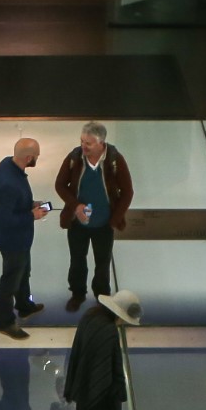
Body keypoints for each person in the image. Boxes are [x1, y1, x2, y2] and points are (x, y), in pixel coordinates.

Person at [52, 122, 134, 311]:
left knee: (102, 263)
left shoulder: (115, 160)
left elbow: (128, 192)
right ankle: (77, 294)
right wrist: (76, 206)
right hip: (77, 223)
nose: (83, 146)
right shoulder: (74, 158)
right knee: (77, 260)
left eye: (88, 143)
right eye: (82, 141)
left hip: (104, 224)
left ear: (101, 143)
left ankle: (102, 296)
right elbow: (60, 185)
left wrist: (114, 220)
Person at [63, 289, 140, 410]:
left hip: (85, 393)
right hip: (100, 399)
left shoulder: (90, 320)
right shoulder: (108, 331)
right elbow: (104, 370)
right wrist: (102, 402)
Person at [0, 137, 50, 339]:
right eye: (36, 156)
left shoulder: (7, 163)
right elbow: (6, 220)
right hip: (11, 240)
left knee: (24, 270)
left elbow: (12, 204)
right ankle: (6, 322)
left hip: (20, 238)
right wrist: (32, 215)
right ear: (29, 157)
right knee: (11, 279)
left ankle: (24, 305)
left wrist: (30, 203)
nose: (37, 158)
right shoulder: (9, 185)